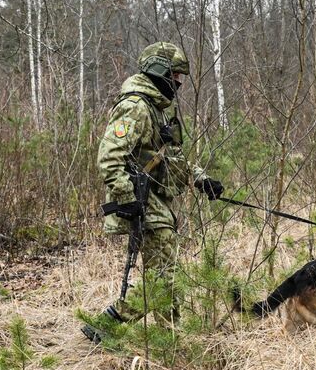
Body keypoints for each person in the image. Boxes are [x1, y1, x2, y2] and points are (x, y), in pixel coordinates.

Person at [82, 42, 223, 343]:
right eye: (174, 75)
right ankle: (108, 323)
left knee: (166, 275)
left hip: (156, 200)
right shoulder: (136, 107)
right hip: (142, 201)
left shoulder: (157, 108)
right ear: (159, 71)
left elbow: (171, 157)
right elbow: (108, 157)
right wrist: (127, 198)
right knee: (162, 277)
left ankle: (169, 340)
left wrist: (201, 179)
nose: (179, 82)